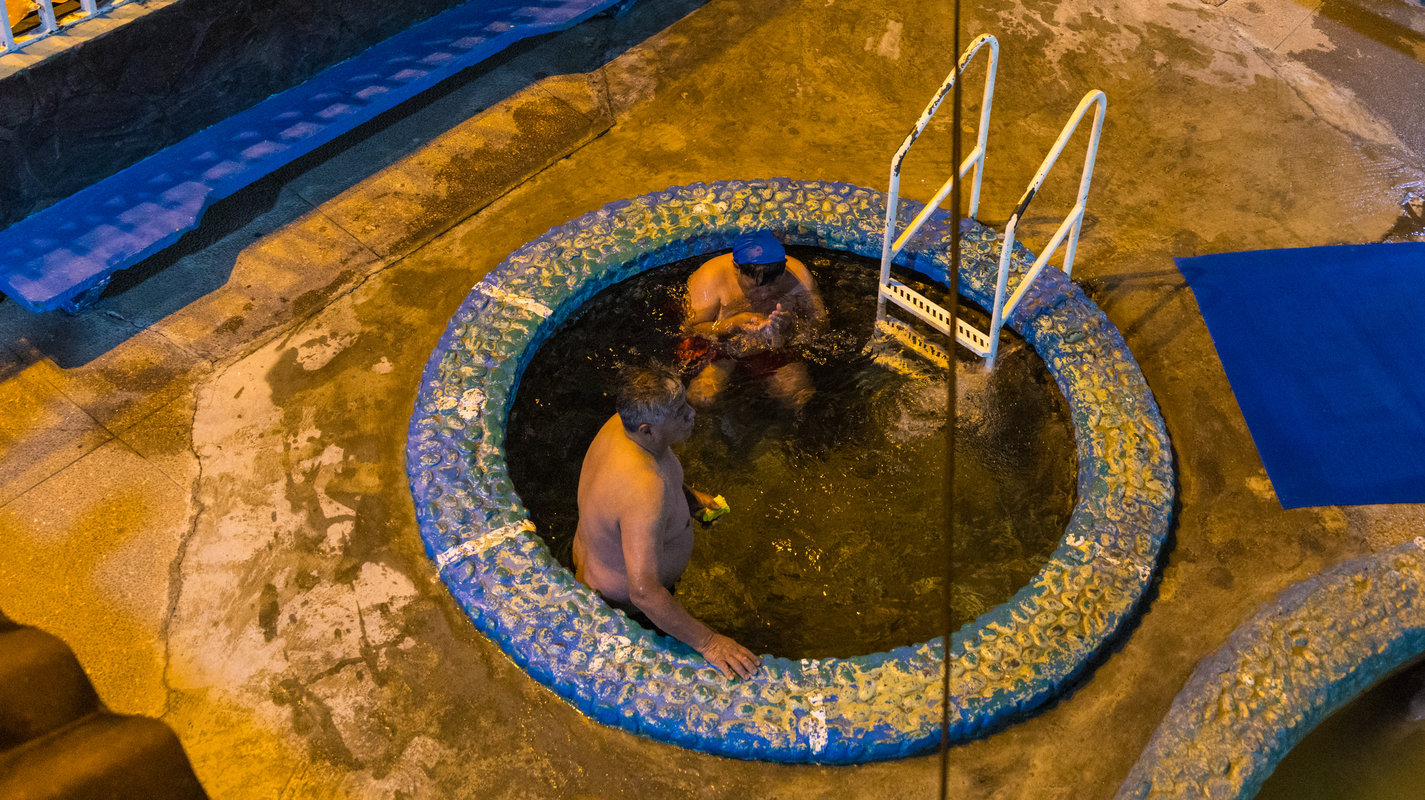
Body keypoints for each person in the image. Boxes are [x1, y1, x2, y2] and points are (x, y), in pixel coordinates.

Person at [572, 367, 762, 679]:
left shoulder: (621, 426)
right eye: (679, 412)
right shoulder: (643, 489)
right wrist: (710, 642)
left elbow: (626, 502)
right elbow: (644, 592)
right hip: (620, 609)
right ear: (647, 430)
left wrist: (687, 499)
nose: (691, 414)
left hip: (598, 559)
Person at [680, 230, 827, 409]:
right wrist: (731, 325)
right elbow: (691, 328)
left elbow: (819, 325)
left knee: (799, 396)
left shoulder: (799, 277)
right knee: (702, 397)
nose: (763, 294)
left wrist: (789, 328)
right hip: (724, 350)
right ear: (736, 268)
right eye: (755, 288)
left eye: (772, 286)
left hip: (775, 348)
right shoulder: (710, 278)